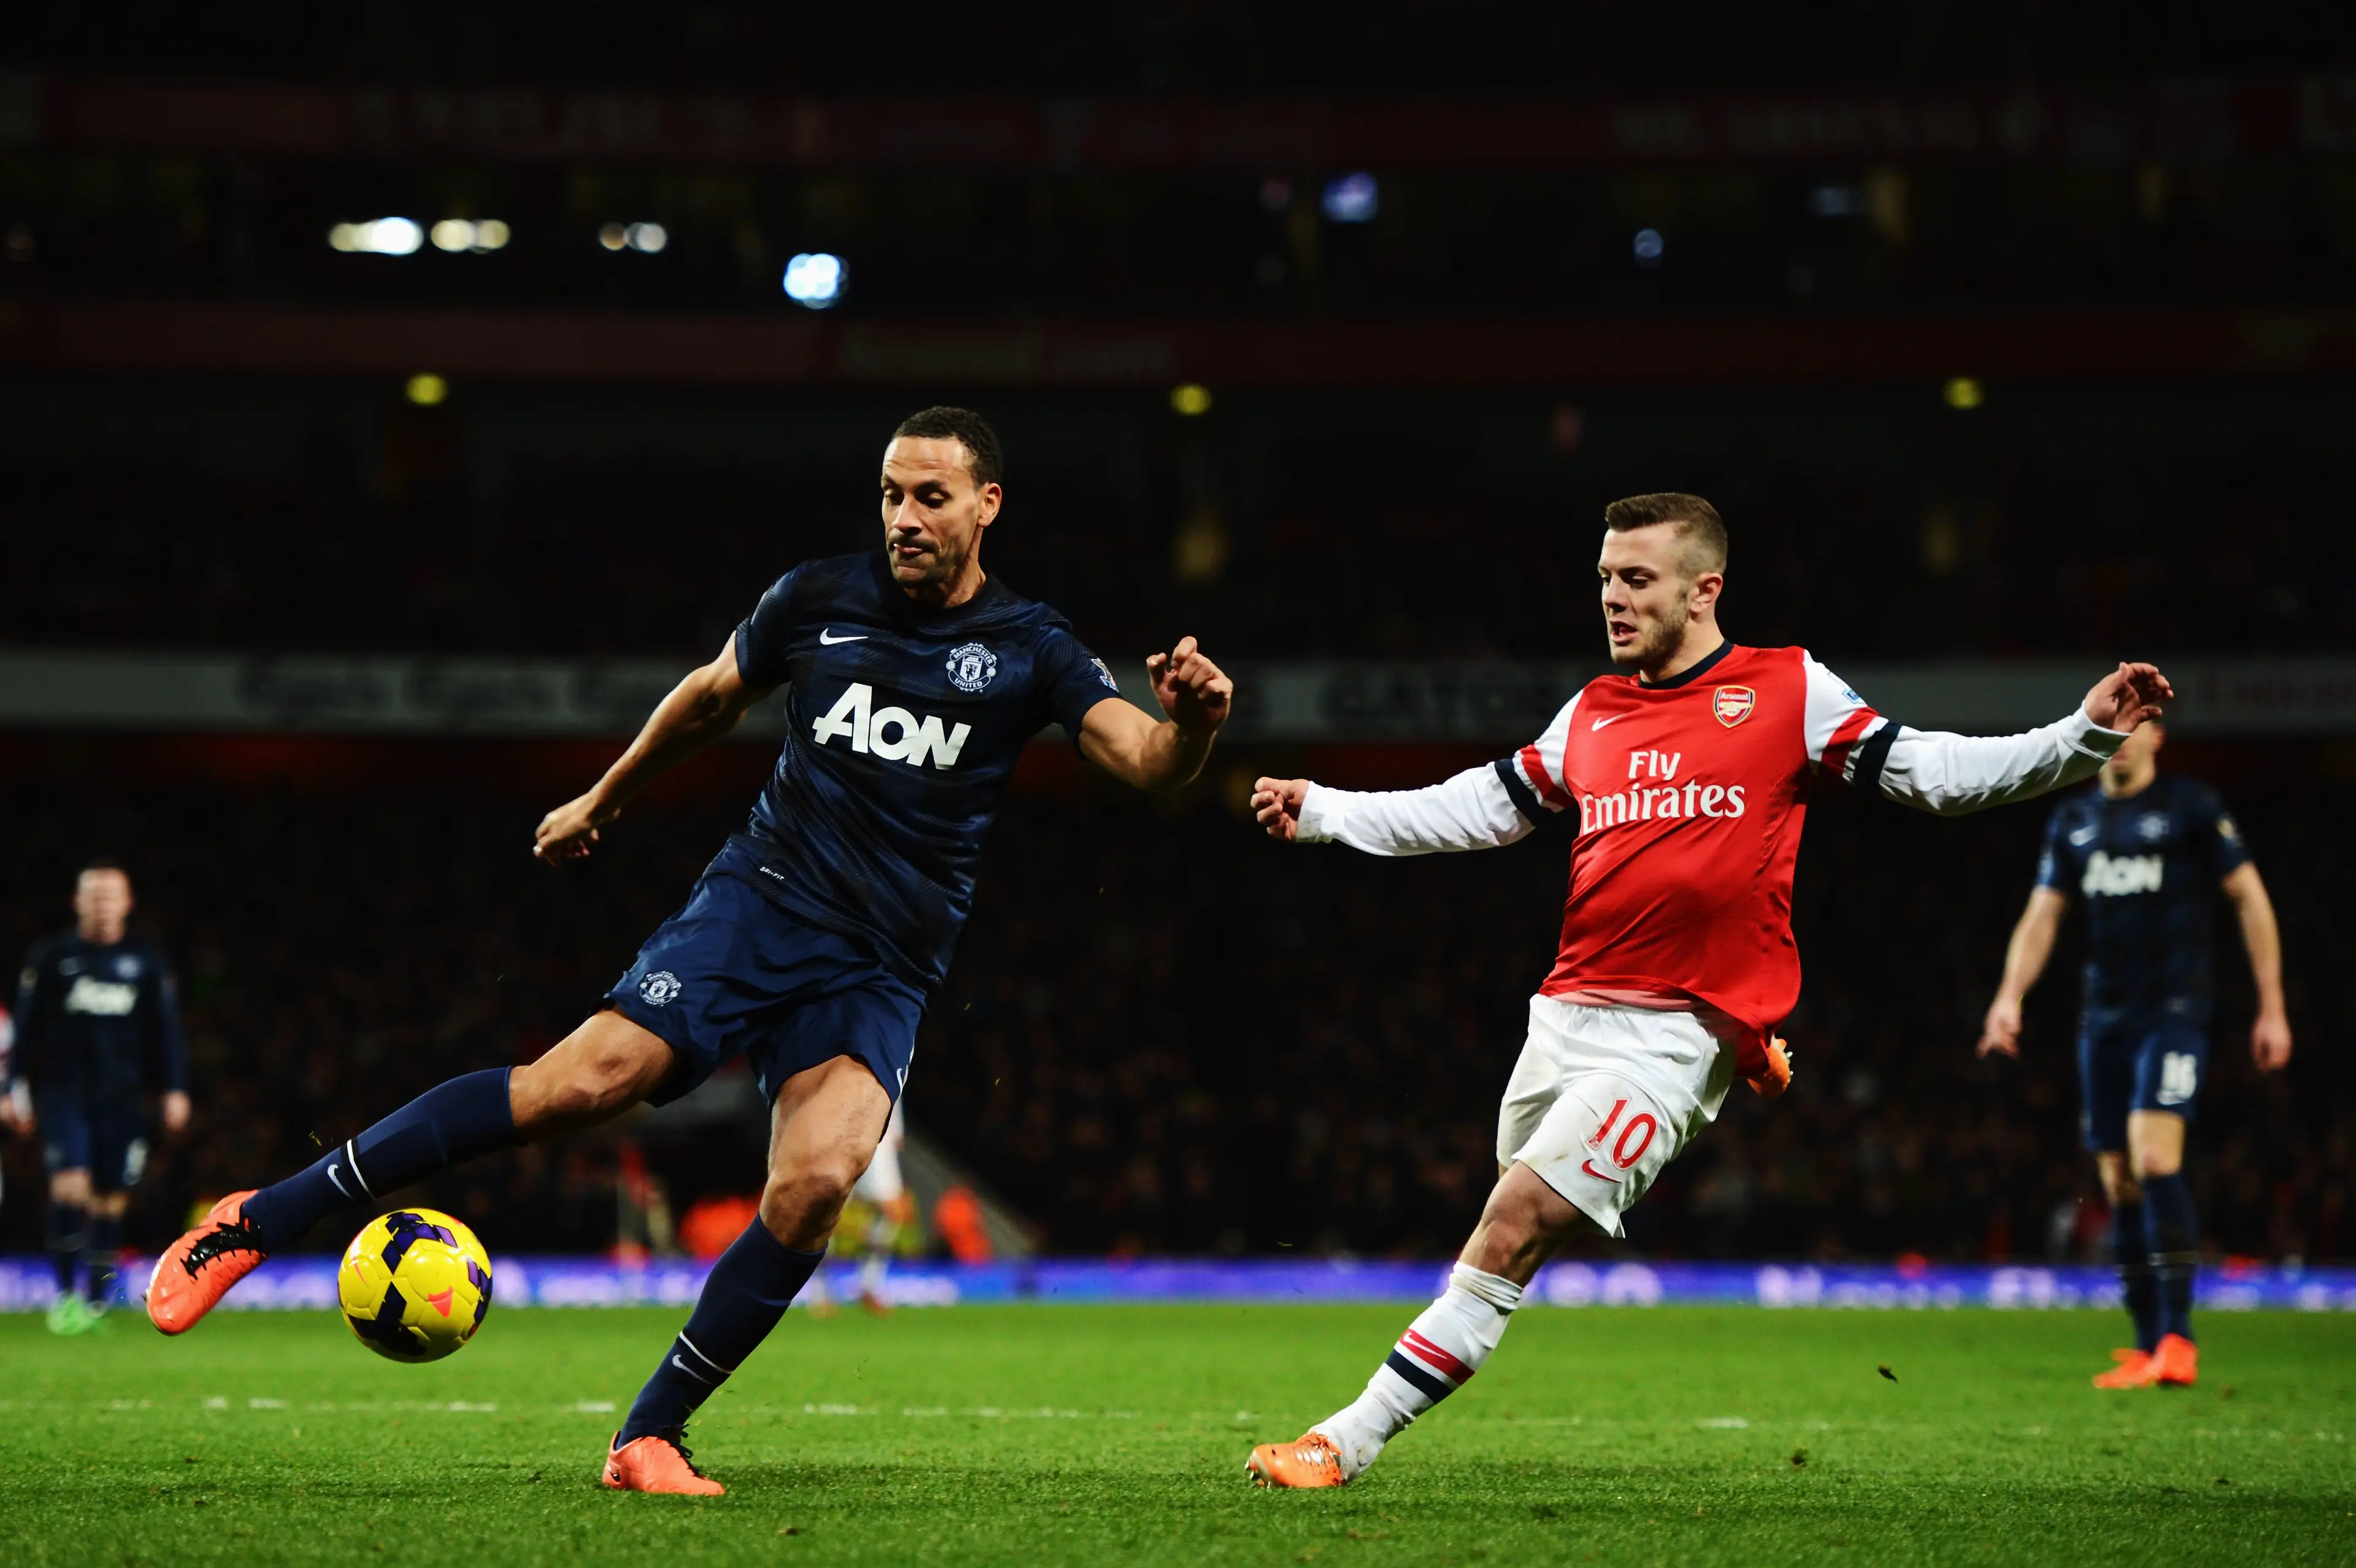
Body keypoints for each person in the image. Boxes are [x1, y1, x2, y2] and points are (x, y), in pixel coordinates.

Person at [145, 407, 1234, 1494]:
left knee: (817, 1184)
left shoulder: (1032, 647)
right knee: (580, 1085)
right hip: (761, 904)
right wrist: (604, 796)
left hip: (882, 964)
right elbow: (712, 698)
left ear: (987, 505)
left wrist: (1192, 726)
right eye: (891, 495)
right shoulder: (817, 597)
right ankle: (259, 1218)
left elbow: (1148, 761)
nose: (904, 518)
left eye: (930, 498)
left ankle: (647, 1437)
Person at [1241, 493, 2170, 1489]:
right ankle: (1745, 1034)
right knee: (1510, 1238)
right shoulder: (1592, 712)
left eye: (1637, 579)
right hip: (1563, 1020)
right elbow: (1479, 807)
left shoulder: (1787, 689)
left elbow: (1937, 773)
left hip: (1666, 1045)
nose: (1613, 597)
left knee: (1511, 1226)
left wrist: (2082, 735)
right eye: (1606, 577)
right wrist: (1327, 809)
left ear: (1703, 590)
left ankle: (1343, 1441)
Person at [1977, 718, 2290, 1389]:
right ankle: (2148, 1344)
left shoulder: (2191, 807)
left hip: (2175, 1012)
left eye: (2133, 727)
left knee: (2154, 1160)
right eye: (2110, 726)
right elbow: (2043, 915)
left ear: (2158, 738)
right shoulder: (2074, 821)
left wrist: (2272, 1006)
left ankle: (2179, 1338)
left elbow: (2250, 899)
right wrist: (2009, 997)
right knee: (2117, 1178)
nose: (2119, 738)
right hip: (2104, 1021)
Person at [4, 863, 190, 1333]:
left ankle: (97, 1303)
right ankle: (66, 1298)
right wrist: (11, 1086)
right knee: (70, 1188)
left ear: (127, 903)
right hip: (64, 1092)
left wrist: (175, 1089)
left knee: (110, 1201)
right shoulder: (53, 957)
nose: (102, 905)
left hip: (124, 1098)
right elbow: (25, 1028)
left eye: (111, 896)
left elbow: (166, 1033)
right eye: (94, 896)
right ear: (78, 902)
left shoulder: (145, 963)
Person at [805, 1097, 914, 1318]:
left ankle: (869, 1286)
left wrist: (896, 1130)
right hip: (845, 1135)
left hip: (881, 1139)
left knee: (892, 1213)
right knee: (829, 1210)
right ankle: (821, 1292)